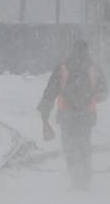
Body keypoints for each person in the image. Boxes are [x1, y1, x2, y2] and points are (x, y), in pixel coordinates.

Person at [39, 38, 104, 189]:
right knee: (84, 146)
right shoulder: (94, 68)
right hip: (87, 116)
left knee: (69, 147)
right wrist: (93, 97)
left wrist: (45, 107)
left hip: (66, 115)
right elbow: (104, 91)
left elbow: (51, 90)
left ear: (73, 50)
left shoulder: (63, 67)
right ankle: (85, 181)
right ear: (87, 51)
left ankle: (75, 180)